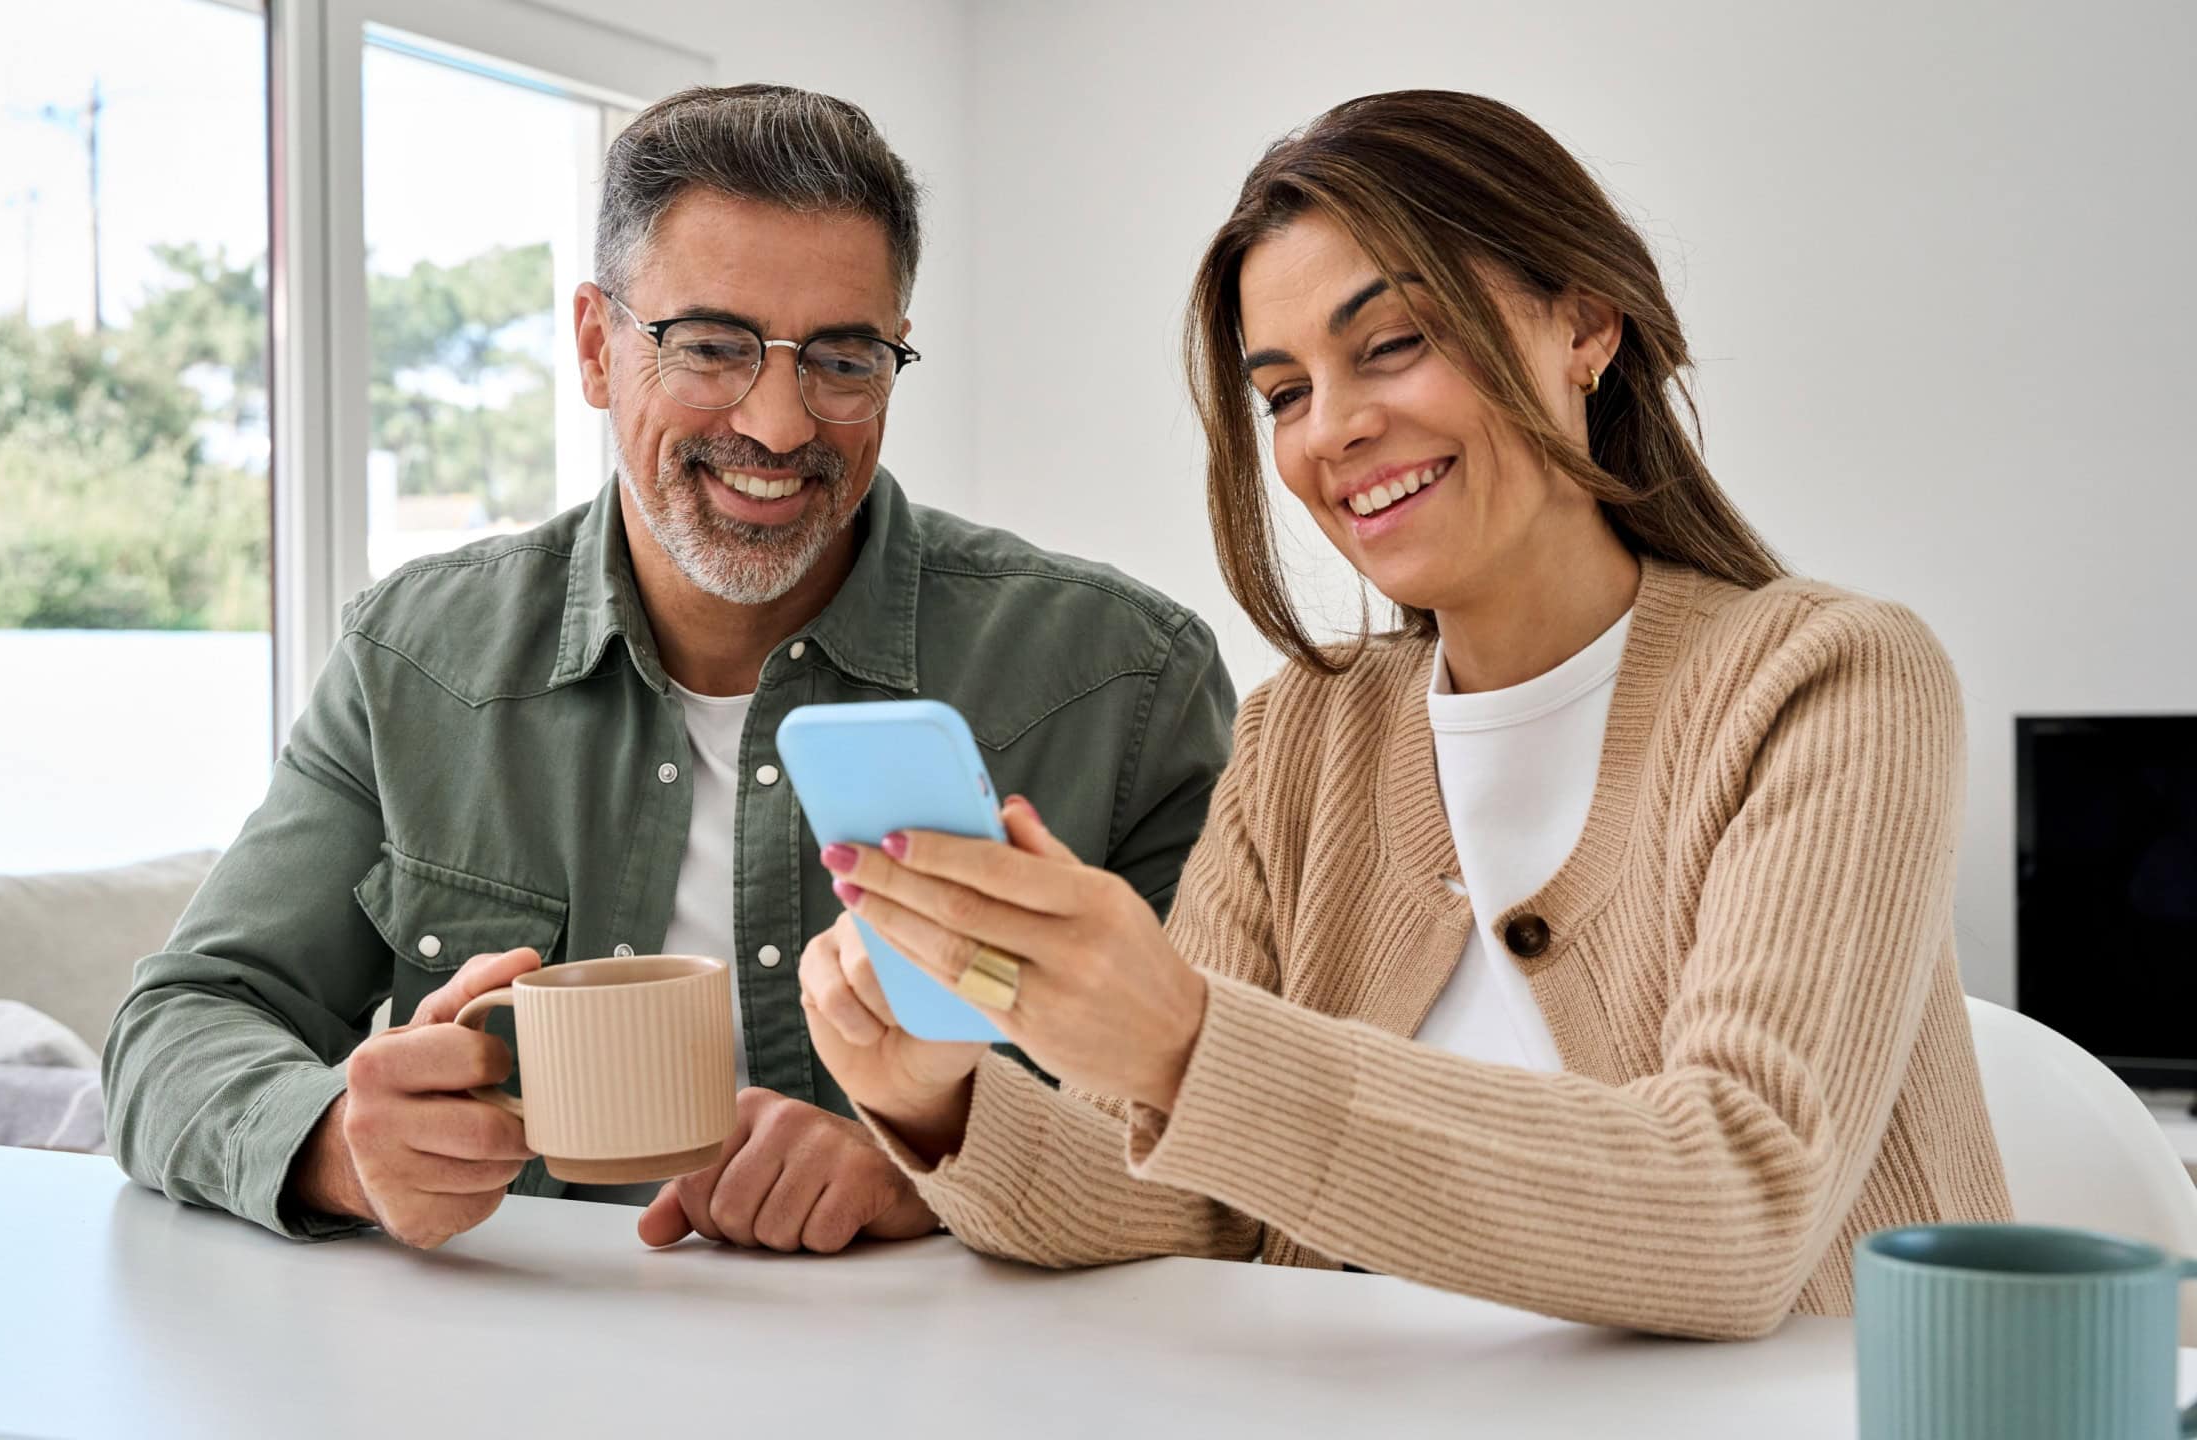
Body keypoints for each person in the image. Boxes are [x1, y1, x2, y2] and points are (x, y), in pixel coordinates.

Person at [799, 89, 2011, 1340]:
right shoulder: (1303, 736)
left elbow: (1737, 1212)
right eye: (1282, 393)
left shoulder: (1833, 682)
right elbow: (1185, 1197)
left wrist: (1184, 1039)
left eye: (1391, 345)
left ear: (1585, 324)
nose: (1333, 429)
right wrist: (943, 1102)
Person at [103, 84, 1235, 1253]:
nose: (782, 424)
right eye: (709, 348)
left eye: (844, 360)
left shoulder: (1123, 682)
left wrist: (932, 1173)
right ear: (597, 348)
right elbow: (176, 1028)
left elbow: (1231, 1134)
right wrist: (338, 1140)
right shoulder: (415, 661)